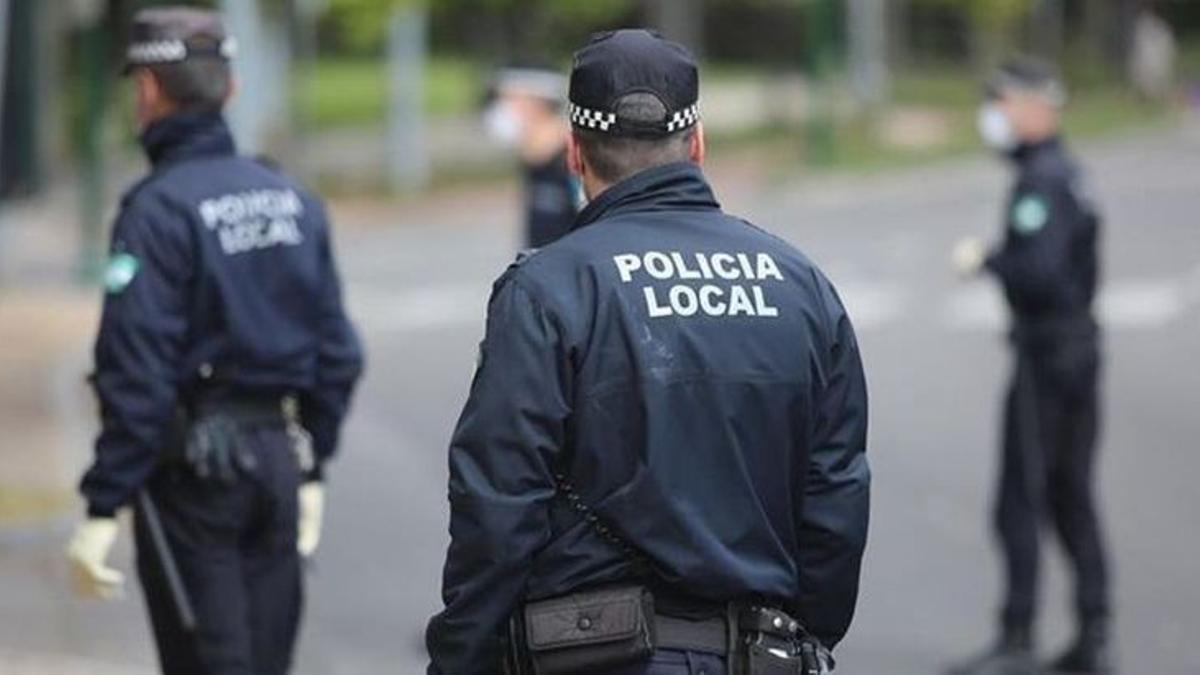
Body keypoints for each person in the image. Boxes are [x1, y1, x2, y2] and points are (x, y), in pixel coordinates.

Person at [427, 29, 869, 675]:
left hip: (591, 653)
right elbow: (835, 495)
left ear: (575, 153)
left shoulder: (550, 288)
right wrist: (800, 635)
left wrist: (461, 658)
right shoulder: (800, 285)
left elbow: (497, 503)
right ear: (697, 145)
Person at [65, 7, 363, 674]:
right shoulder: (291, 198)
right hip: (279, 464)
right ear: (229, 89)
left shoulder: (157, 210)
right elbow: (337, 350)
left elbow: (133, 371)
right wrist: (315, 455)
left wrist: (103, 501)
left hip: (194, 479)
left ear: (146, 91)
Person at [951, 59, 1111, 675]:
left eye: (1003, 101)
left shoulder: (1040, 181)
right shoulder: (1068, 173)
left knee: (1020, 498)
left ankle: (1017, 638)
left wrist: (986, 260)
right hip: (1079, 349)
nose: (995, 114)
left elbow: (1038, 274)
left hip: (1047, 356)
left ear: (1035, 106)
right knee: (1072, 495)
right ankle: (1095, 635)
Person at [482, 66, 581, 248]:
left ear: (537, 104)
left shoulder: (573, 161)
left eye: (509, 99)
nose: (501, 109)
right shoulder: (533, 158)